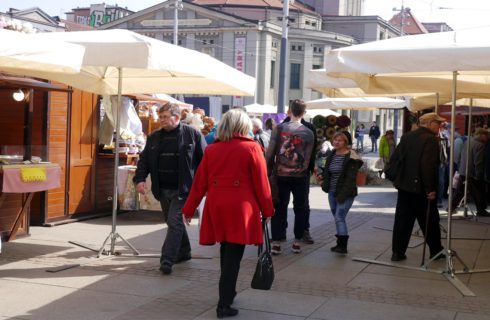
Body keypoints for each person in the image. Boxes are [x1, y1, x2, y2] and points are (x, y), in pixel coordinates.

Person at [181, 109, 274, 319]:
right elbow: (262, 184)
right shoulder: (252, 148)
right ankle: (224, 304)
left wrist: (188, 208)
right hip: (241, 207)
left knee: (226, 250)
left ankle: (228, 293)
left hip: (217, 205)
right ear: (244, 126)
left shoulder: (213, 150)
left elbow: (199, 183)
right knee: (233, 255)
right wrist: (268, 210)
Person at [133, 103, 206, 275]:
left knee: (174, 222)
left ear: (177, 117)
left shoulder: (192, 134)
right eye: (161, 117)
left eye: (165, 117)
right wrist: (140, 179)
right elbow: (144, 161)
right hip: (162, 189)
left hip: (184, 189)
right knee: (174, 223)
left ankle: (167, 259)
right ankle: (184, 251)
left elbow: (206, 161)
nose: (162, 120)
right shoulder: (154, 137)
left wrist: (205, 186)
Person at [390, 112, 445, 262]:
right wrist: (431, 189)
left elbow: (396, 158)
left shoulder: (408, 136)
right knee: (430, 221)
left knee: (402, 221)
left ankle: (397, 252)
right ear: (428, 123)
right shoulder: (431, 140)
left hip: (404, 186)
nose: (439, 126)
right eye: (437, 123)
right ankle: (436, 251)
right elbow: (428, 166)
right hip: (421, 189)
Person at [266, 99, 314, 254]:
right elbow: (308, 157)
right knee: (300, 208)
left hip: (280, 175)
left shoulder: (279, 128)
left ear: (290, 110)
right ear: (304, 113)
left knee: (279, 207)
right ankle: (297, 241)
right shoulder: (309, 132)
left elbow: (270, 154)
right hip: (301, 176)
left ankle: (277, 242)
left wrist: (267, 173)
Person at [317, 132, 363, 254]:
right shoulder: (332, 153)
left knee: (339, 217)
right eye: (335, 140)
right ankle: (339, 244)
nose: (336, 142)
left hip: (345, 193)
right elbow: (328, 171)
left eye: (340, 140)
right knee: (337, 217)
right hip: (332, 192)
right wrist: (323, 178)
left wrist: (342, 196)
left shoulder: (352, 157)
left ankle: (342, 246)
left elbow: (350, 179)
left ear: (345, 143)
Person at [460, 128, 489, 216]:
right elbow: (478, 162)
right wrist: (479, 175)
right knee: (478, 192)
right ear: (482, 135)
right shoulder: (480, 145)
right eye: (487, 136)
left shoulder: (467, 141)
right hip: (473, 173)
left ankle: (450, 207)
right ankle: (481, 211)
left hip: (463, 170)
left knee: (460, 191)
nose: (487, 138)